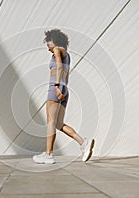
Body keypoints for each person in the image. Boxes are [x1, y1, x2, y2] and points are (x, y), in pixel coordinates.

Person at [33, 29, 95, 164]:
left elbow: (59, 67)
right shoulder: (66, 54)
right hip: (64, 88)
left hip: (55, 88)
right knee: (59, 124)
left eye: (48, 43)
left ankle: (48, 154)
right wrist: (62, 87)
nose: (47, 47)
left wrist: (56, 86)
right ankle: (83, 143)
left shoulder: (57, 50)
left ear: (54, 40)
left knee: (50, 121)